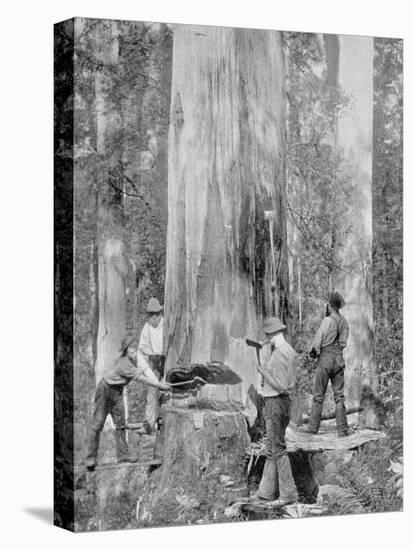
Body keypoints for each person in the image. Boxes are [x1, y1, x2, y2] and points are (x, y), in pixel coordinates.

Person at [85, 334, 170, 469]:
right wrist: (159, 386)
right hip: (105, 390)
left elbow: (146, 371)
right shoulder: (124, 363)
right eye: (130, 349)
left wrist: (159, 382)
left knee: (120, 424)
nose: (133, 352)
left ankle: (123, 455)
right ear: (125, 350)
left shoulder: (137, 358)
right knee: (97, 424)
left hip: (117, 391)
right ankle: (90, 458)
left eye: (135, 349)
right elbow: (142, 379)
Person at [254, 317, 298, 505]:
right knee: (272, 448)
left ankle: (288, 494)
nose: (266, 338)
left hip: (276, 403)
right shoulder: (289, 351)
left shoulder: (280, 354)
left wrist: (264, 373)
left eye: (267, 335)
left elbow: (280, 386)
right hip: (283, 403)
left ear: (272, 334)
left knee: (277, 449)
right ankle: (265, 492)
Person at [307, 291, 350, 437]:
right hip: (338, 359)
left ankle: (313, 428)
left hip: (325, 359)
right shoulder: (344, 322)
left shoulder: (327, 320)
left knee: (319, 395)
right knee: (339, 396)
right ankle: (342, 430)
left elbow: (318, 339)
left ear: (330, 305)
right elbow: (343, 343)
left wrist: (313, 351)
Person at [137, 297, 165, 433]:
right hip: (154, 362)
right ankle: (149, 423)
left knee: (167, 391)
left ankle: (162, 419)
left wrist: (164, 352)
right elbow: (142, 347)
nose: (154, 317)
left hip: (168, 360)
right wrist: (152, 353)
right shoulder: (147, 327)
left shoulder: (166, 324)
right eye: (151, 314)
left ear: (160, 314)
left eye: (156, 314)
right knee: (152, 393)